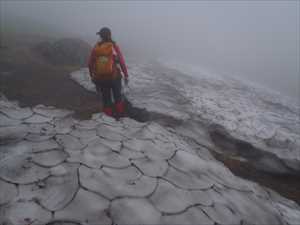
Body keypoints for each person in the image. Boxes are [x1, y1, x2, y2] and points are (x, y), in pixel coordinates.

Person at [88, 27, 129, 118]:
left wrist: (92, 76)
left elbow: (90, 63)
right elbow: (121, 61)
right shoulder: (113, 46)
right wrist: (126, 75)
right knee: (118, 97)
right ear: (110, 35)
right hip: (114, 77)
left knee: (106, 99)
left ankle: (108, 118)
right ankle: (120, 116)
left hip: (101, 78)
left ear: (101, 36)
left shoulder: (97, 47)